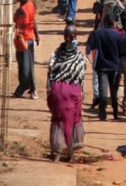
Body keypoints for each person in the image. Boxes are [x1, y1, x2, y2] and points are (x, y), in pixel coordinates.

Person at [46, 24, 88, 162]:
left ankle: (56, 152)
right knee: (74, 120)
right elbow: (81, 78)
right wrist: (81, 93)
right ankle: (71, 153)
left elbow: (50, 75)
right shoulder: (79, 57)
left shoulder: (55, 54)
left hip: (56, 92)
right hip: (72, 93)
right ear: (74, 37)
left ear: (64, 37)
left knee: (58, 121)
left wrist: (49, 92)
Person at [86, 11, 122, 121]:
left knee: (102, 90)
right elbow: (122, 52)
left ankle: (102, 114)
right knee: (113, 91)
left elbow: (89, 45)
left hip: (101, 66)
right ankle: (115, 114)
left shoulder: (97, 33)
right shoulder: (118, 35)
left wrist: (87, 54)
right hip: (115, 66)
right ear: (114, 23)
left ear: (104, 22)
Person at [13, 0, 39, 99]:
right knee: (25, 65)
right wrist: (37, 36)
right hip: (29, 38)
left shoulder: (22, 10)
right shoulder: (31, 5)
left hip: (24, 40)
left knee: (25, 67)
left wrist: (16, 14)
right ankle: (24, 88)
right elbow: (34, 22)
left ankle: (31, 89)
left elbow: (20, 23)